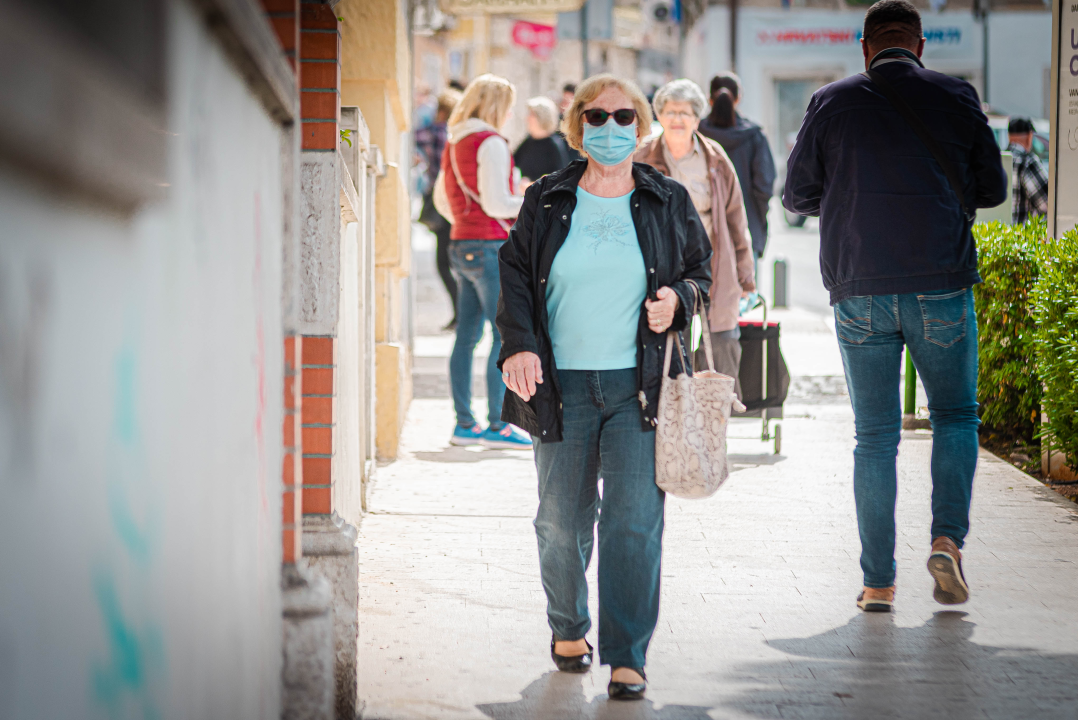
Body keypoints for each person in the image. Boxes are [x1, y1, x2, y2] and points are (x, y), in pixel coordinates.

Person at [783, 0, 1007, 613]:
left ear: (864, 46)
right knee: (955, 416)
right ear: (920, 44)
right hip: (941, 280)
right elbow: (992, 187)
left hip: (859, 284)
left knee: (875, 437)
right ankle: (946, 541)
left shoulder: (831, 101)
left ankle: (878, 583)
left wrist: (848, 195)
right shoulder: (957, 95)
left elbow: (797, 195)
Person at [496, 74, 712, 701]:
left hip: (639, 390)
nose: (611, 128)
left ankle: (627, 656)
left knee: (634, 522)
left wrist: (679, 298)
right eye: (596, 116)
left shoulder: (667, 198)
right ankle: (568, 626)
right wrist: (519, 343)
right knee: (560, 522)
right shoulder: (546, 198)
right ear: (577, 126)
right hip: (559, 386)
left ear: (639, 125)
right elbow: (515, 272)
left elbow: (701, 273)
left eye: (623, 117)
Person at [635, 79, 755, 396]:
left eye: (685, 112)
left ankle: (717, 415)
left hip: (715, 263)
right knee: (673, 344)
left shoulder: (715, 159)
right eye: (671, 112)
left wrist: (746, 277)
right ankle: (674, 414)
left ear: (697, 118)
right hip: (663, 268)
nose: (677, 119)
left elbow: (736, 219)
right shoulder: (642, 157)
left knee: (723, 343)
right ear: (660, 115)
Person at [433, 74, 533, 450]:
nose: (510, 115)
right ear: (497, 105)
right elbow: (496, 203)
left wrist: (465, 221)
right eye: (508, 107)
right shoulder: (490, 142)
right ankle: (498, 425)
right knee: (504, 335)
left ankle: (464, 425)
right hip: (490, 245)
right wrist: (533, 199)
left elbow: (442, 200)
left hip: (461, 243)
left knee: (466, 336)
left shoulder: (455, 140)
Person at [698, 73, 777, 259]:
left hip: (702, 233)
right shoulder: (754, 135)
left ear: (709, 98)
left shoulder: (696, 133)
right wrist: (759, 218)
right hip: (747, 230)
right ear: (738, 98)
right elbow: (764, 186)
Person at [416, 89, 462, 330]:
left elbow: (415, 137)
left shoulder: (435, 132)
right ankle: (462, 313)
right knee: (453, 262)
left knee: (444, 263)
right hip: (455, 204)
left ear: (442, 111)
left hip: (441, 202)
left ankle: (461, 314)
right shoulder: (457, 135)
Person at [514, 96, 572, 183]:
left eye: (531, 114)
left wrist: (532, 185)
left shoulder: (553, 145)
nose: (527, 118)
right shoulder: (528, 141)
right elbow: (513, 164)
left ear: (542, 118)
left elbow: (559, 180)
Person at [1006, 117, 1048, 225]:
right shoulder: (1027, 162)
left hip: (1001, 232)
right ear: (1029, 136)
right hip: (1023, 233)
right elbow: (1046, 203)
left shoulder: (999, 159)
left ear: (1009, 136)